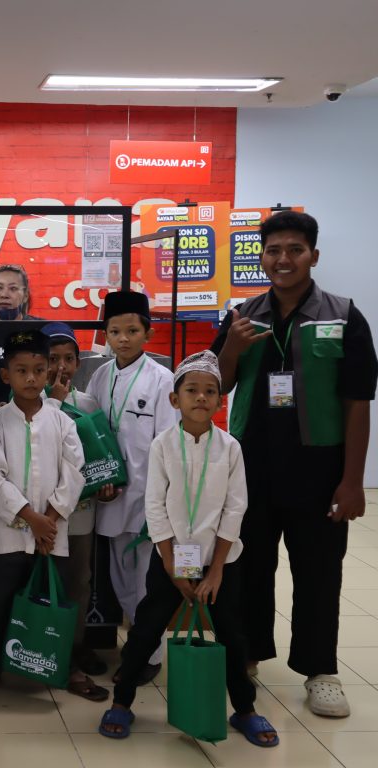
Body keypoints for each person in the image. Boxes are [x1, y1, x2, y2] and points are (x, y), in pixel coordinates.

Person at [211, 210, 378, 717]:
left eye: (295, 250)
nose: (283, 259)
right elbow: (217, 384)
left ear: (313, 256)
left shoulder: (343, 316)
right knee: (248, 565)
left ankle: (320, 670)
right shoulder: (243, 315)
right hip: (251, 465)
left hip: (319, 467)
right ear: (262, 257)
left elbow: (358, 402)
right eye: (274, 250)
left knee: (319, 571)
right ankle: (247, 656)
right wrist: (232, 347)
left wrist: (353, 482)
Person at [98, 351, 278, 748]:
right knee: (147, 631)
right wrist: (170, 565)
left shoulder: (230, 448)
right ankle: (122, 701)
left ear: (220, 401)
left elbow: (235, 509)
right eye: (192, 390)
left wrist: (216, 570)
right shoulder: (162, 446)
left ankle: (245, 709)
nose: (201, 397)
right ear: (174, 399)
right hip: (171, 558)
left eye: (210, 391)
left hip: (220, 561)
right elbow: (155, 507)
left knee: (231, 635)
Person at [0, 331, 91, 702]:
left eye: (38, 370)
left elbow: (75, 471)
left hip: (52, 533)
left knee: (58, 601)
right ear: (5, 375)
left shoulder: (61, 421)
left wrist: (50, 520)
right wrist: (31, 518)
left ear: (48, 373)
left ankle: (66, 665)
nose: (30, 378)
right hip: (9, 535)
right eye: (21, 370)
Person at [87, 290, 177, 684]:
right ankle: (138, 643)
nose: (123, 339)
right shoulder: (100, 376)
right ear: (106, 334)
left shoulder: (162, 379)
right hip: (109, 496)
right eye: (114, 331)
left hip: (146, 498)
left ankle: (148, 655)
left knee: (146, 582)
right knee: (121, 578)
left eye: (132, 331)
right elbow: (89, 431)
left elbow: (167, 444)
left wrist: (162, 498)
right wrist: (99, 480)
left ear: (147, 333)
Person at [42, 321, 111, 688]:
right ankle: (41, 647)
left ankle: (76, 645)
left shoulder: (87, 403)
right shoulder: (29, 401)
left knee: (77, 581)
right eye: (53, 359)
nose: (61, 367)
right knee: (42, 579)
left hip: (80, 512)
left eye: (68, 359)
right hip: (40, 514)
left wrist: (107, 483)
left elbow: (100, 455)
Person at [0, 264, 43, 413]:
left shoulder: (40, 330)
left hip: (34, 416)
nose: (4, 294)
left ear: (25, 295)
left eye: (13, 288)